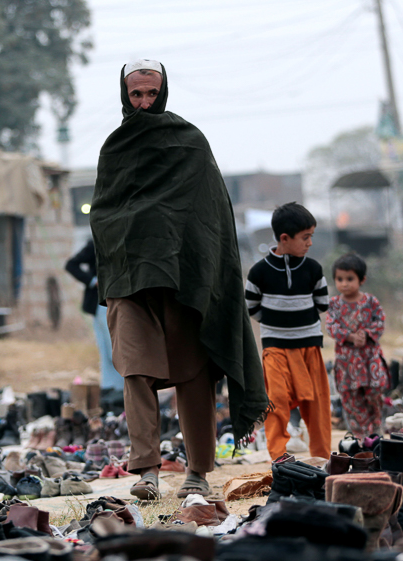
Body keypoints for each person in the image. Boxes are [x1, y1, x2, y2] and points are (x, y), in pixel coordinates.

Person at [89, 59, 266, 500]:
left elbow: (211, 217)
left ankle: (198, 474)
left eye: (152, 94)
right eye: (136, 95)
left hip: (185, 281)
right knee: (135, 372)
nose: (145, 103)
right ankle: (146, 471)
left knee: (194, 376)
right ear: (124, 95)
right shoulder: (115, 148)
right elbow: (106, 216)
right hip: (130, 281)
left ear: (164, 92)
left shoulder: (190, 144)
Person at [245, 202, 332, 461]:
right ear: (285, 238)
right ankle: (279, 458)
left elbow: (322, 304)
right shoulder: (259, 272)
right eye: (305, 237)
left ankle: (321, 457)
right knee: (277, 401)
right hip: (275, 348)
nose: (310, 243)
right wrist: (277, 325)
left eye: (311, 237)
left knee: (316, 405)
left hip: (309, 348)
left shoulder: (313, 269)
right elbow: (252, 307)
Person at [325, 253, 389, 438]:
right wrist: (350, 337)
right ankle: (360, 438)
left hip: (370, 360)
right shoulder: (334, 305)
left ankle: (376, 432)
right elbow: (331, 327)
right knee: (352, 400)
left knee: (374, 395)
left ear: (362, 279)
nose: (344, 283)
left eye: (349, 279)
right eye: (340, 279)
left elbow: (380, 322)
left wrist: (366, 334)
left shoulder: (371, 302)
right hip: (347, 364)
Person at [64, 238, 124, 413]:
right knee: (107, 349)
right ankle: (112, 391)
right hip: (101, 303)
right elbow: (71, 265)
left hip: (120, 302)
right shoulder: (97, 243)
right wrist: (93, 281)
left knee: (118, 349)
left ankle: (119, 392)